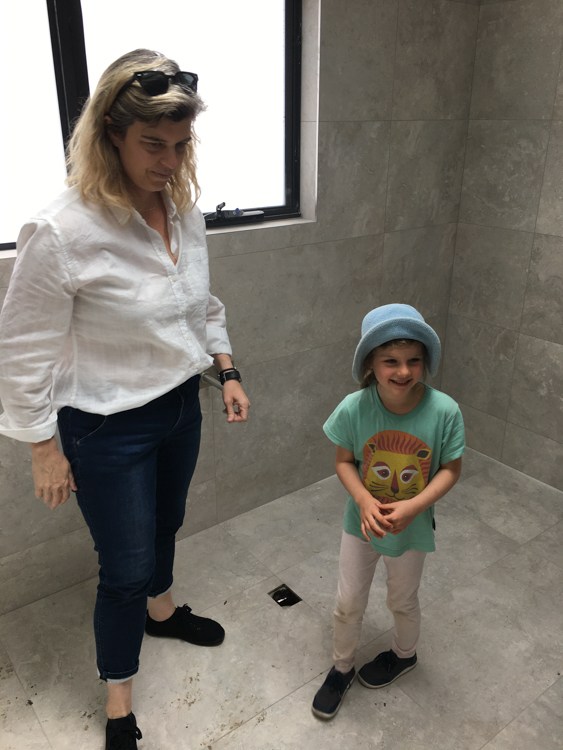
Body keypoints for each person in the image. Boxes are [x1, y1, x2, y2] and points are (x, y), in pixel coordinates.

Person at [0, 49, 250, 749]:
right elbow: (21, 350)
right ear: (111, 131)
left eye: (179, 145)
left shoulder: (182, 211)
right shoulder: (63, 231)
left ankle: (163, 614)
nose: (168, 162)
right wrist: (42, 449)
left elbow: (200, 305)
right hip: (105, 427)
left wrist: (225, 370)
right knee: (124, 568)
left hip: (178, 408)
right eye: (152, 145)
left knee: (166, 522)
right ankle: (118, 706)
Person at [311, 304, 464, 720]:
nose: (403, 371)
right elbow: (343, 461)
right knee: (348, 601)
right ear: (370, 365)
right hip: (359, 525)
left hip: (412, 529)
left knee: (403, 600)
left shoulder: (444, 410)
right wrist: (362, 500)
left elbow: (451, 469)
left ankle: (404, 654)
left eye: (414, 360)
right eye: (390, 361)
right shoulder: (353, 408)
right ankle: (341, 667)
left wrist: (414, 506)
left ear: (425, 362)